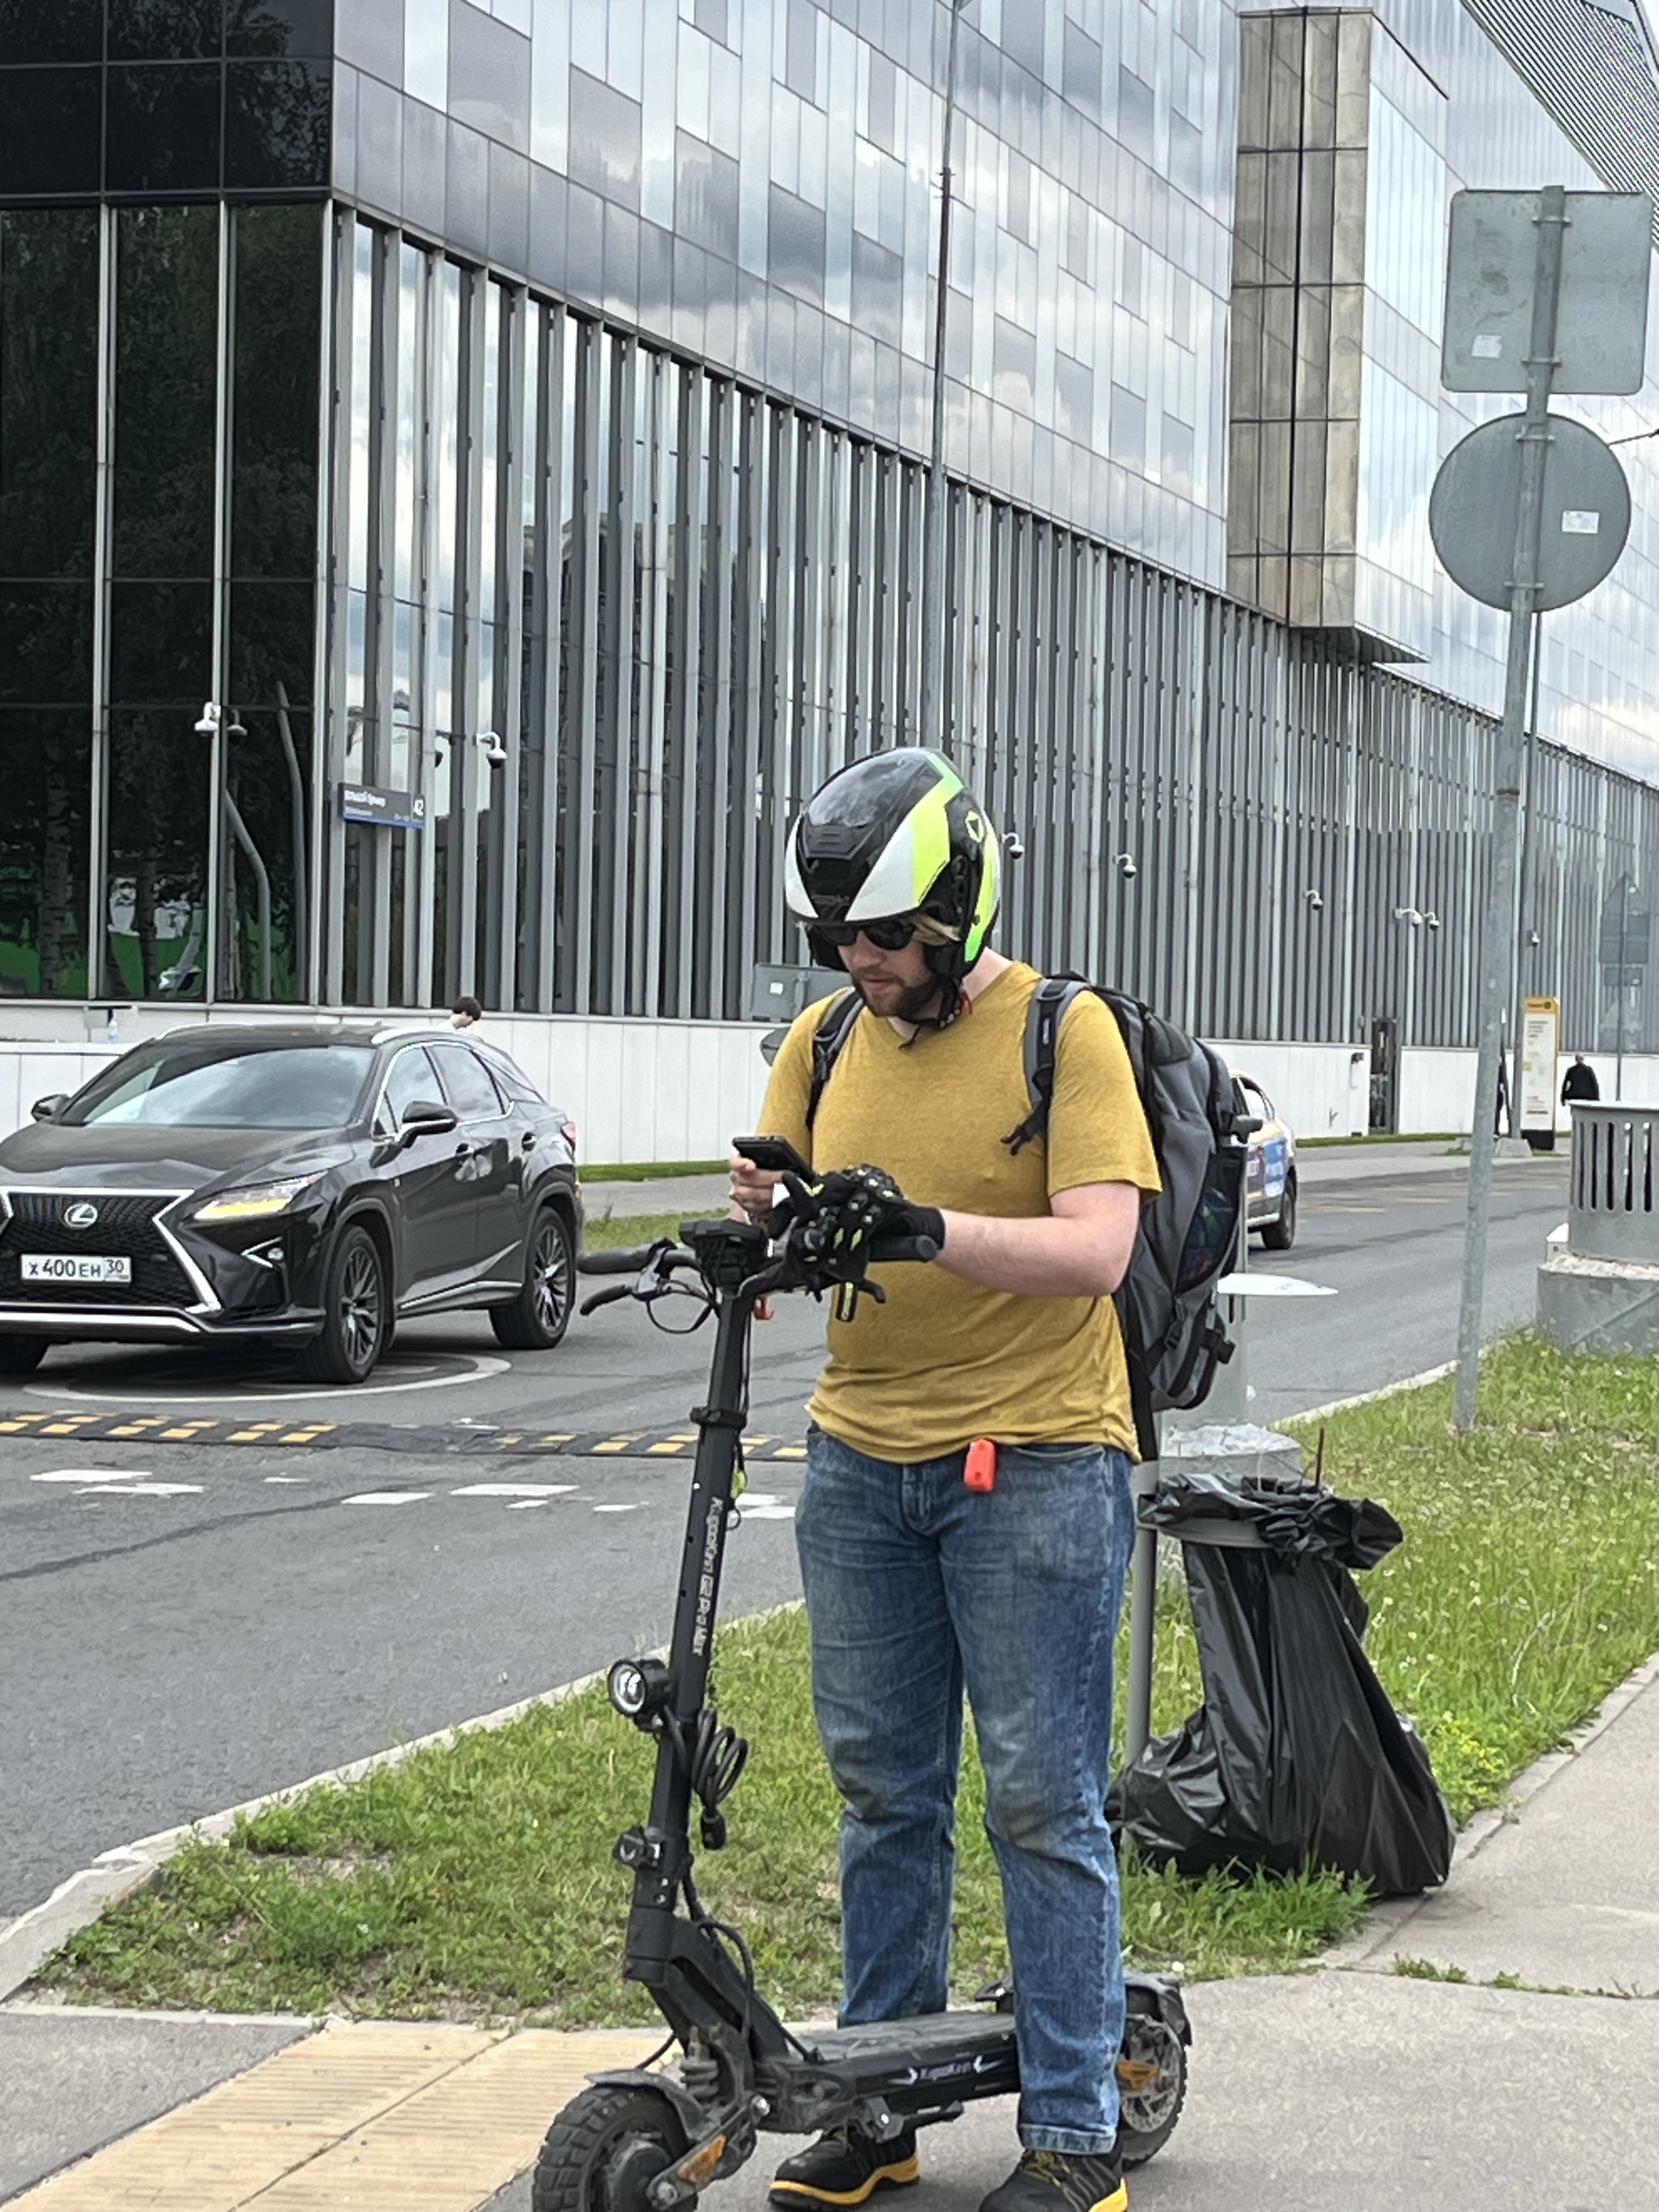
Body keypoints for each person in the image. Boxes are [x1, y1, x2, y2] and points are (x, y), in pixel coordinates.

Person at [729, 749, 1160, 2212]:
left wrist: (924, 1228)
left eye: (888, 938)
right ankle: (882, 2109)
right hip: (860, 1463)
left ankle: (1076, 2132)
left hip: (1034, 1462)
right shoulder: (823, 1042)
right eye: (839, 940)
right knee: (882, 1797)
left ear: (961, 908)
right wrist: (764, 1222)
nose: (863, 963)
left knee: (1042, 1803)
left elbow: (1097, 1248)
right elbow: (792, 1223)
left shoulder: (1064, 1033)